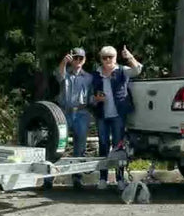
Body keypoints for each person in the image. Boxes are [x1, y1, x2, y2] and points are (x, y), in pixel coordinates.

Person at [90, 45, 143, 190]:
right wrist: (95, 99)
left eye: (110, 57)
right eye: (104, 57)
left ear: (115, 58)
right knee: (103, 146)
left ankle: (120, 179)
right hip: (102, 115)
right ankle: (103, 178)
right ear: (100, 59)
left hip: (118, 115)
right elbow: (90, 97)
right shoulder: (96, 74)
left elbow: (138, 70)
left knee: (119, 148)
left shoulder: (122, 71)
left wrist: (129, 57)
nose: (107, 60)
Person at [49, 47, 94, 189]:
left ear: (84, 60)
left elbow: (91, 97)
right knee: (57, 144)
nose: (78, 61)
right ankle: (49, 178)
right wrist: (63, 62)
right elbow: (58, 74)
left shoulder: (89, 78)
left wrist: (97, 99)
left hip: (81, 113)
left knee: (79, 147)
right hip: (64, 112)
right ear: (71, 60)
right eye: (75, 58)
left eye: (81, 58)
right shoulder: (65, 74)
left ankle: (77, 178)